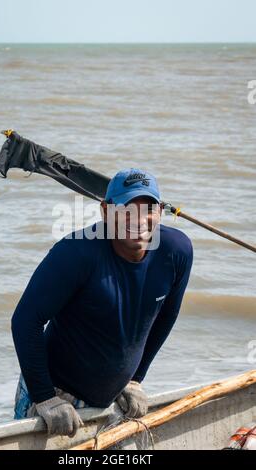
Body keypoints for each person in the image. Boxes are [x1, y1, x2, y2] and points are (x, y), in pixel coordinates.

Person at [12, 168, 193, 437]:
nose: (139, 219)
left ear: (160, 211)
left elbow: (166, 316)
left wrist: (135, 379)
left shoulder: (176, 252)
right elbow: (25, 321)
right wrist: (45, 398)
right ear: (106, 211)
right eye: (127, 209)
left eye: (149, 209)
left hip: (112, 398)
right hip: (56, 395)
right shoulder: (75, 253)